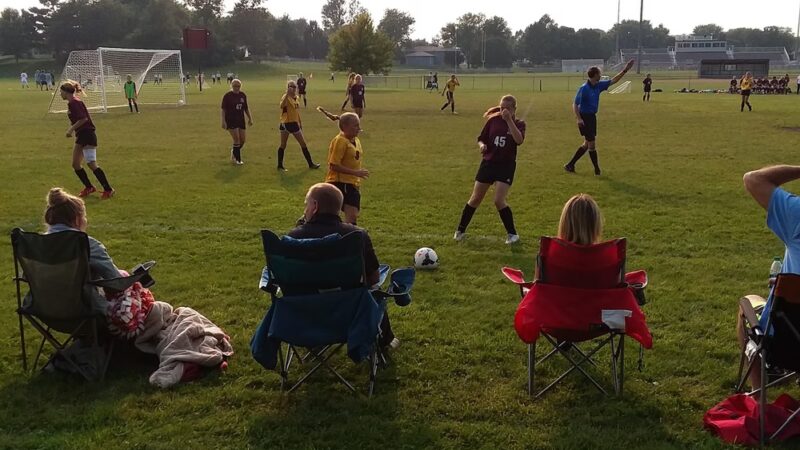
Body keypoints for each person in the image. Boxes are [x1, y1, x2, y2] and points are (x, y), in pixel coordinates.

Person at [289, 183, 399, 349]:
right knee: (374, 289)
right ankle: (386, 339)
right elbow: (374, 277)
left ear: (315, 206)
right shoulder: (357, 235)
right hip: (350, 313)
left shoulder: (294, 237)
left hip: (305, 315)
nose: (305, 210)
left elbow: (288, 278)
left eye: (306, 204)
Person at [738, 165, 800, 388]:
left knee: (746, 304)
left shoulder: (797, 214)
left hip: (787, 346)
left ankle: (758, 400)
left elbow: (753, 178)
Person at [37, 187, 122, 315]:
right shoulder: (87, 244)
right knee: (161, 309)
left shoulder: (37, 244)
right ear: (77, 219)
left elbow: (26, 275)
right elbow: (116, 281)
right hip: (86, 312)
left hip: (44, 311)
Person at [454, 95, 526, 244]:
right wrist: (482, 145)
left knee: (499, 200)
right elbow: (481, 138)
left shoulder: (519, 123)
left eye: (507, 108)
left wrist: (509, 120)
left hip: (505, 166)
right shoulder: (493, 121)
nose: (503, 111)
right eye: (501, 108)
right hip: (489, 163)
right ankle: (460, 230)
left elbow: (519, 140)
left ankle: (513, 235)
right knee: (475, 199)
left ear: (514, 109)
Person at [564, 59, 635, 176]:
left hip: (592, 117)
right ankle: (597, 170)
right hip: (585, 118)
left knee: (587, 144)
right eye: (599, 74)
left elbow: (614, 80)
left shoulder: (598, 86)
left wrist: (625, 70)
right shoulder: (584, 88)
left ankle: (570, 165)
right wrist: (579, 119)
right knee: (591, 144)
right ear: (594, 75)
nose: (601, 75)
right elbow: (575, 104)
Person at [60, 80, 114, 199]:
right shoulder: (71, 103)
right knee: (75, 164)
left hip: (88, 134)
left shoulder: (75, 102)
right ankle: (89, 187)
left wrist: (70, 129)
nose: (60, 94)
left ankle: (108, 189)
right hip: (81, 135)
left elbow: (83, 119)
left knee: (91, 163)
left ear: (66, 92)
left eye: (61, 92)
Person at [325, 113, 368, 225]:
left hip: (351, 184)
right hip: (340, 183)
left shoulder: (355, 140)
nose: (359, 128)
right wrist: (356, 173)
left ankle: (344, 238)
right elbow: (333, 165)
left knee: (352, 218)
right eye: (355, 125)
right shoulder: (340, 141)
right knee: (350, 218)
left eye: (359, 125)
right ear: (344, 126)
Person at [278, 80, 320, 171]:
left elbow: (296, 112)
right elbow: (282, 106)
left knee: (303, 143)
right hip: (286, 123)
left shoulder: (296, 98)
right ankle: (280, 165)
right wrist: (286, 94)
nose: (293, 88)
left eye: (294, 87)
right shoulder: (285, 97)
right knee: (283, 145)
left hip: (294, 123)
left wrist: (300, 122)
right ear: (288, 87)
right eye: (291, 86)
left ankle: (310, 164)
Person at [221, 79, 253, 165]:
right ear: (231, 86)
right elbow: (223, 109)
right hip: (231, 120)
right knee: (237, 140)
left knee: (242, 140)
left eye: (238, 86)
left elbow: (246, 108)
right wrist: (223, 121)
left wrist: (250, 118)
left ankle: (234, 152)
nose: (236, 88)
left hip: (240, 120)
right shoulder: (227, 96)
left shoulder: (242, 95)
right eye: (235, 86)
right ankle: (237, 160)